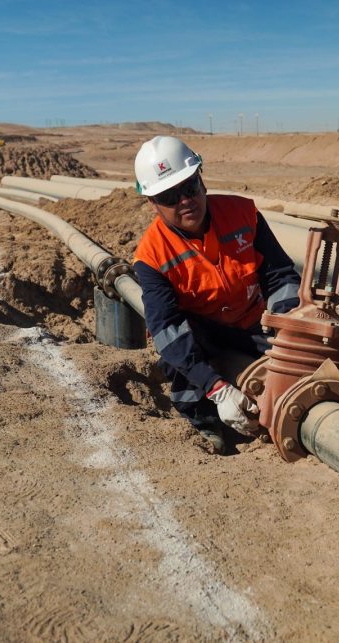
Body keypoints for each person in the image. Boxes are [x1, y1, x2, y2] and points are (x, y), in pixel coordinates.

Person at [132, 136, 301, 453]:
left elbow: (279, 275)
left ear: (201, 179)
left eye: (189, 186)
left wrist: (286, 328)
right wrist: (217, 389)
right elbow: (167, 328)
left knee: (295, 368)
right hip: (202, 334)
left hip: (254, 323)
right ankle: (205, 424)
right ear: (153, 203)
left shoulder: (242, 214)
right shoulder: (151, 256)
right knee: (181, 363)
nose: (184, 200)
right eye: (169, 196)